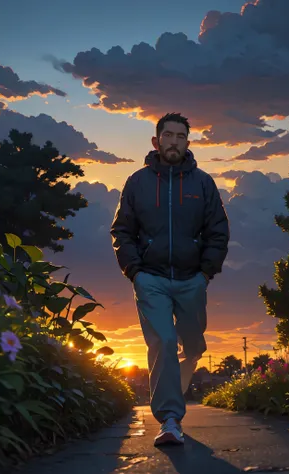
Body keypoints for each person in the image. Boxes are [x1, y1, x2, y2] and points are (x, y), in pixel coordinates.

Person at [110, 112, 229, 446]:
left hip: (193, 280)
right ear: (156, 141)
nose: (174, 141)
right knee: (162, 341)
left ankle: (190, 356)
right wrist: (135, 272)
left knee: (191, 345)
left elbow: (218, 231)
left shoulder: (203, 183)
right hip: (152, 280)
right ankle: (170, 419)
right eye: (168, 135)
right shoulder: (137, 182)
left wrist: (206, 273)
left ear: (187, 143)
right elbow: (122, 230)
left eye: (180, 136)